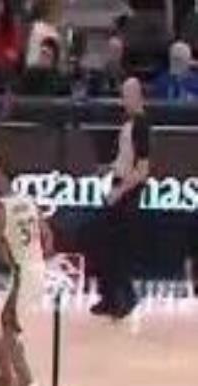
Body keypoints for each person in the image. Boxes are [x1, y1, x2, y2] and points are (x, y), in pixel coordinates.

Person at [0, 158, 52, 386]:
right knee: (0, 325)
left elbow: (1, 253)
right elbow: (48, 238)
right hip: (36, 270)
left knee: (10, 334)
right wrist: (35, 257)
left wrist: (18, 267)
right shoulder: (30, 202)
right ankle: (6, 377)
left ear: (4, 177)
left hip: (23, 275)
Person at [90, 77, 151, 319]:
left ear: (137, 96)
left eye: (127, 95)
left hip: (128, 190)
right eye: (122, 95)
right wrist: (108, 168)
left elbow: (142, 170)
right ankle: (109, 296)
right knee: (103, 240)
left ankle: (125, 298)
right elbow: (125, 159)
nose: (123, 101)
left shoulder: (142, 126)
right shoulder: (128, 123)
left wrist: (120, 191)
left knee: (116, 244)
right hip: (119, 184)